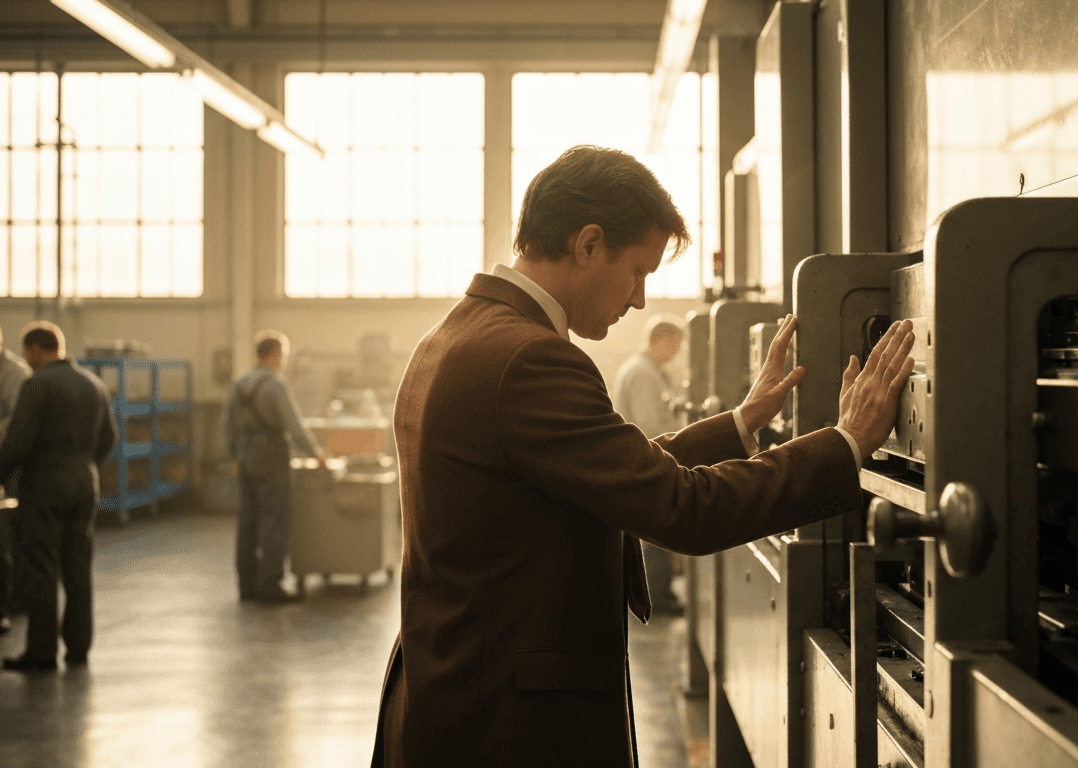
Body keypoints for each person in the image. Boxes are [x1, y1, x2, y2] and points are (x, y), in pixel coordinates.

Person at [371, 145, 913, 767]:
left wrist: (740, 423)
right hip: (508, 726)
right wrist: (845, 444)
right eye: (637, 271)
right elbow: (681, 509)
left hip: (452, 697)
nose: (637, 301)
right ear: (588, 242)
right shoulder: (530, 359)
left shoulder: (454, 338)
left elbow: (599, 478)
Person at [0, 321, 116, 671]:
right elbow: (109, 437)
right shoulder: (93, 384)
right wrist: (86, 468)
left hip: (44, 487)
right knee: (77, 568)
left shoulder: (37, 384)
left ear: (34, 350)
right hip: (83, 485)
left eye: (27, 354)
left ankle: (42, 652)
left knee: (41, 569)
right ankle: (78, 649)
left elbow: (17, 441)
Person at [220, 331, 329, 603]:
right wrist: (315, 452)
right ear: (275, 354)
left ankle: (246, 586)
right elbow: (294, 425)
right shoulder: (275, 385)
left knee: (247, 521)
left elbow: (227, 425)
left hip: (245, 456)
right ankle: (270, 586)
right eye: (284, 354)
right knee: (274, 520)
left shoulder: (239, 383)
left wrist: (236, 455)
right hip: (271, 457)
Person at [612, 315, 686, 613]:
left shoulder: (647, 369)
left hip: (644, 461)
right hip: (648, 462)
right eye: (676, 345)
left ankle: (659, 592)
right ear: (661, 340)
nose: (677, 352)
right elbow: (648, 424)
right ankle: (658, 598)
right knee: (655, 535)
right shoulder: (643, 373)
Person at [0, 315, 32, 636]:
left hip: (10, 463)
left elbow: (21, 420)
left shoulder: (15, 374)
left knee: (7, 534)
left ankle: (14, 598)